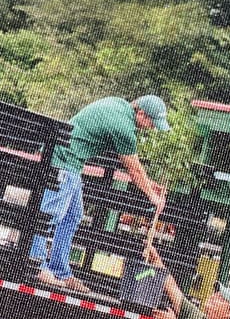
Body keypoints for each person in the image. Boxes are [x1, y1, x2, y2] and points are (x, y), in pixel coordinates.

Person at [30, 95, 170, 293]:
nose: (152, 128)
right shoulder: (124, 127)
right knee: (50, 215)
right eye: (151, 122)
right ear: (141, 113)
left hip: (71, 162)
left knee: (72, 216)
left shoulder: (118, 105)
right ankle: (35, 265)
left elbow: (132, 165)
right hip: (63, 161)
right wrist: (153, 197)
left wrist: (150, 184)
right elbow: (134, 169)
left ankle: (60, 270)